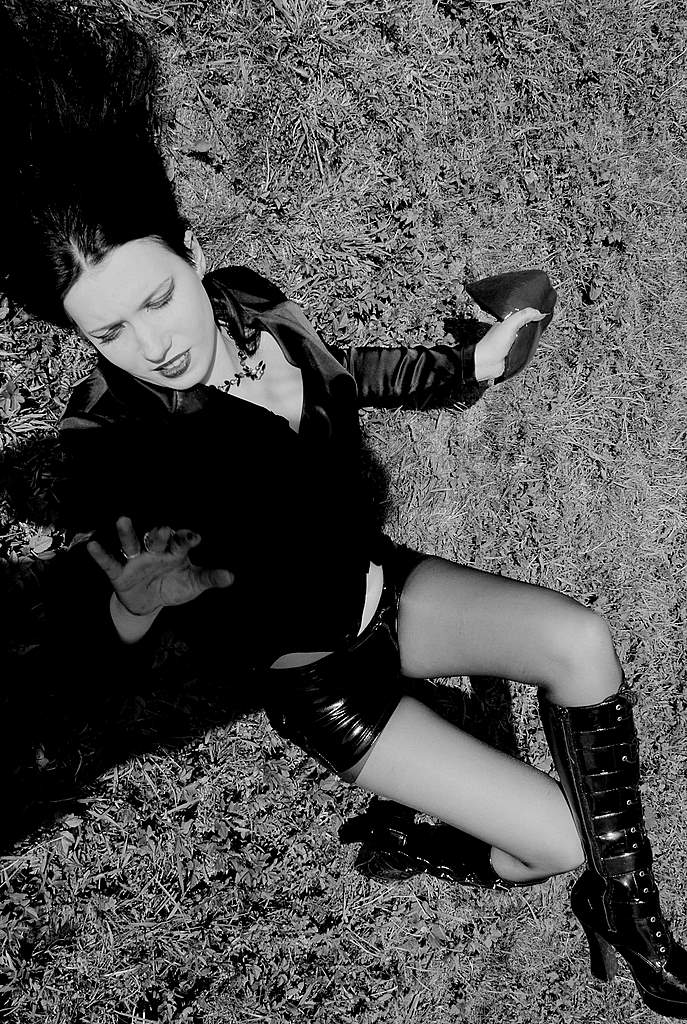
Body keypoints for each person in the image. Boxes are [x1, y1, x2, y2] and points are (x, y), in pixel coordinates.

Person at [3, 1, 686, 1016]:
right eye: (109, 333)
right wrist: (135, 608)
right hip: (319, 676)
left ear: (191, 252)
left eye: (156, 298)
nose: (154, 344)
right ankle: (411, 838)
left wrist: (465, 368)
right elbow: (91, 640)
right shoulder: (112, 438)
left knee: (583, 641)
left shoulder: (250, 302)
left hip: (384, 586)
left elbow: (342, 372)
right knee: (552, 842)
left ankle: (634, 918)